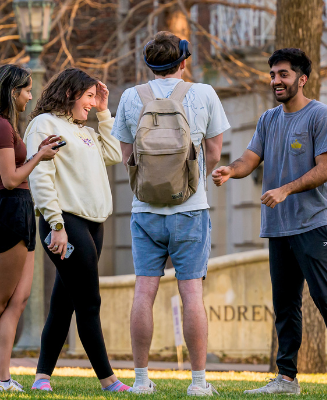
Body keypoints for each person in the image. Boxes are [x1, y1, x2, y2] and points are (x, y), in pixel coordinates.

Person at [211, 48, 327, 395]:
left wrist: (284, 190)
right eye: (272, 75)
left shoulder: (322, 116)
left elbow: (325, 169)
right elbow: (250, 159)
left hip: (315, 222)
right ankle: (286, 379)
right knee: (285, 303)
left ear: (302, 78)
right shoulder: (268, 119)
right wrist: (230, 170)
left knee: (326, 297)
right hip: (279, 226)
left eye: (283, 74)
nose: (276, 81)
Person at [111, 31, 230, 397]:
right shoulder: (204, 94)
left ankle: (142, 379)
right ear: (184, 61)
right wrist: (194, 183)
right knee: (191, 293)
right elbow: (213, 152)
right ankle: (197, 382)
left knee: (144, 292)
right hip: (190, 210)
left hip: (145, 211)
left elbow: (125, 156)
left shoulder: (132, 97)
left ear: (149, 64)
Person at [24, 68, 130, 392]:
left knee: (64, 302)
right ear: (70, 94)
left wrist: (104, 112)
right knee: (89, 301)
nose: (91, 102)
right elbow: (41, 177)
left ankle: (42, 377)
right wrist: (56, 226)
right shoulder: (44, 125)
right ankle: (108, 380)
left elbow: (113, 153)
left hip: (91, 225)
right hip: (64, 223)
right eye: (88, 97)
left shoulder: (81, 129)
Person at [0, 64, 62, 392]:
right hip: (7, 211)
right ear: (12, 92)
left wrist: (37, 152)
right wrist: (39, 158)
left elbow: (18, 171)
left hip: (20, 210)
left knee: (19, 299)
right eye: (27, 90)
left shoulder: (7, 127)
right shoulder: (0, 127)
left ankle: (2, 378)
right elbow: (10, 179)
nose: (30, 96)